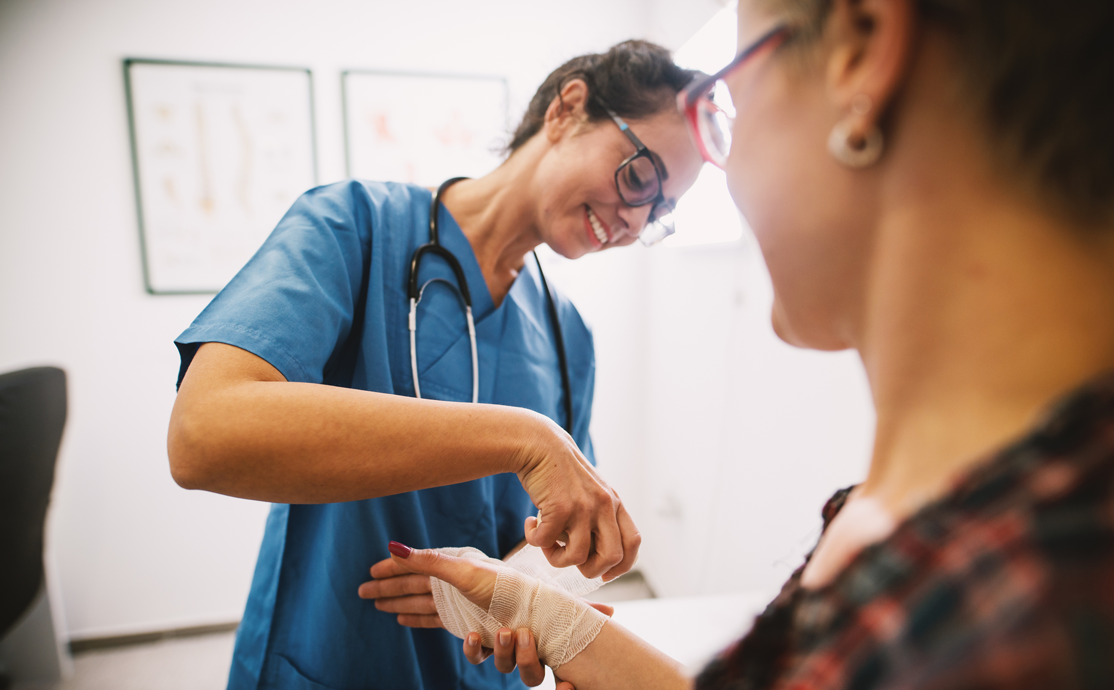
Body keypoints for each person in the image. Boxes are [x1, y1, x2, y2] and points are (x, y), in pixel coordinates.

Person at [362, 0, 1114, 687]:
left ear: (861, 49)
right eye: (644, 177)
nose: (636, 223)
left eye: (735, 107)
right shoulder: (963, 532)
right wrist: (547, 614)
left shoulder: (1002, 609)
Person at [167, 41, 704, 690]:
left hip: (482, 671)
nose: (636, 217)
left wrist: (522, 589)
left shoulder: (568, 334)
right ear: (567, 109)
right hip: (333, 656)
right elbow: (203, 435)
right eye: (640, 177)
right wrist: (525, 439)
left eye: (661, 211)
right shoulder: (352, 226)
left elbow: (556, 539)